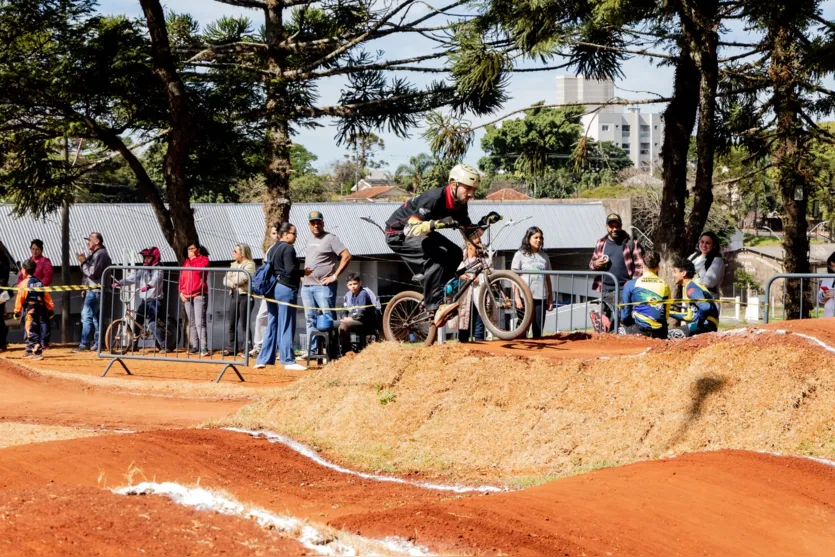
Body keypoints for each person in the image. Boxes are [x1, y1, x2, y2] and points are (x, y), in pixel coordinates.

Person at [385, 163, 499, 326]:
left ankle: (435, 291)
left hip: (423, 233)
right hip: (397, 234)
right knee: (437, 257)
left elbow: (468, 234)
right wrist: (434, 224)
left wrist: (484, 222)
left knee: (455, 253)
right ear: (454, 184)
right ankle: (435, 305)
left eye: (473, 189)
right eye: (468, 188)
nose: (471, 194)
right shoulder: (433, 199)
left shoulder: (460, 204)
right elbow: (410, 229)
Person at [256, 222, 308, 371]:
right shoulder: (288, 248)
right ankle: (288, 360)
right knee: (286, 323)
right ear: (285, 234)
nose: (295, 237)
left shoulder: (272, 248)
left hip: (272, 290)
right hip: (286, 289)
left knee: (272, 323)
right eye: (294, 234)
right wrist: (304, 273)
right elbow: (291, 269)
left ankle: (263, 359)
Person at [301, 211, 352, 357]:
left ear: (323, 223)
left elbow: (347, 255)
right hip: (307, 286)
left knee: (327, 317)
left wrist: (335, 276)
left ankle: (332, 351)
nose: (316, 225)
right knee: (310, 318)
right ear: (309, 225)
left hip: (323, 287)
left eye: (318, 222)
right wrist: (303, 277)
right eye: (313, 223)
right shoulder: (309, 239)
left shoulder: (330, 238)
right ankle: (312, 351)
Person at [589, 213, 644, 333]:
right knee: (606, 323)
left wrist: (631, 285)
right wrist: (596, 264)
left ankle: (624, 348)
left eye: (617, 225)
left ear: (621, 226)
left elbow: (640, 266)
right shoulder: (601, 243)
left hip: (624, 290)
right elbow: (591, 264)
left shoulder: (630, 243)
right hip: (606, 290)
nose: (614, 229)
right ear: (606, 226)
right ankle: (608, 348)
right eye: (611, 226)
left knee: (625, 321)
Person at [117, 247, 166, 349]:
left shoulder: (159, 269)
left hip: (155, 300)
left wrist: (149, 285)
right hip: (145, 300)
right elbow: (133, 277)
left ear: (154, 258)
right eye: (145, 258)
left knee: (152, 323)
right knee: (137, 321)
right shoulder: (143, 269)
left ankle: (163, 345)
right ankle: (134, 344)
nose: (146, 260)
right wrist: (120, 283)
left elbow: (156, 279)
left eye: (148, 258)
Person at [512, 226, 554, 338]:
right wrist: (516, 297)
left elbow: (548, 278)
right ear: (528, 238)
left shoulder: (544, 256)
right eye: (535, 237)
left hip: (541, 296)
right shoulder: (520, 255)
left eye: (540, 238)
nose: (538, 240)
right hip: (524, 296)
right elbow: (514, 277)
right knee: (522, 327)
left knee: (538, 328)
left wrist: (550, 298)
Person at [73, 232, 112, 352]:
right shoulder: (96, 254)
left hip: (95, 291)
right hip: (93, 290)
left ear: (97, 242)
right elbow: (88, 275)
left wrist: (83, 262)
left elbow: (92, 272)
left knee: (87, 316)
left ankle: (84, 343)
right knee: (95, 318)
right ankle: (99, 342)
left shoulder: (100, 254)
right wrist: (85, 287)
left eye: (90, 240)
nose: (87, 242)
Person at [619, 251, 670, 339]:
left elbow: (625, 316)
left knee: (614, 332)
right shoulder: (665, 285)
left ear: (642, 264)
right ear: (658, 267)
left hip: (640, 330)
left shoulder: (631, 284)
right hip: (661, 332)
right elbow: (666, 315)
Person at [250, 224, 281, 357]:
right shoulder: (269, 250)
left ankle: (280, 348)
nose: (276, 236)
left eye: (278, 233)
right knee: (261, 316)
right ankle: (259, 345)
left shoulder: (285, 248)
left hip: (280, 288)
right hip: (268, 289)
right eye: (273, 233)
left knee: (280, 318)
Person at [670, 257, 719, 337]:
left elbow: (706, 307)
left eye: (675, 272)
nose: (673, 275)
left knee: (669, 334)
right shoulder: (689, 287)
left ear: (683, 273)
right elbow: (688, 316)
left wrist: (699, 322)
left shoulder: (691, 288)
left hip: (707, 325)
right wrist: (668, 312)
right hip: (707, 324)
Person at [15, 259, 53, 361]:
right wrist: (50, 309)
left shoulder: (24, 283)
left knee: (31, 330)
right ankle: (29, 349)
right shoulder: (39, 282)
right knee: (36, 328)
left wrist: (17, 311)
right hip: (40, 309)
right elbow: (46, 296)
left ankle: (37, 352)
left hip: (30, 309)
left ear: (24, 270)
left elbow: (20, 298)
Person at [224, 243, 256, 356]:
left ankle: (247, 348)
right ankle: (232, 348)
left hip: (245, 296)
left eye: (235, 251)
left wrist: (232, 279)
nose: (233, 253)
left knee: (244, 324)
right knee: (231, 323)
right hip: (234, 295)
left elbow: (241, 279)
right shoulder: (233, 265)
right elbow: (225, 280)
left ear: (242, 253)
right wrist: (233, 281)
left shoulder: (250, 265)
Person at [179, 242, 210, 356]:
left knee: (199, 322)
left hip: (198, 294)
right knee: (191, 322)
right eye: (188, 249)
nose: (190, 251)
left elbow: (198, 270)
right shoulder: (186, 262)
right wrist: (181, 292)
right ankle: (195, 346)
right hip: (186, 295)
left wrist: (193, 259)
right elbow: (182, 278)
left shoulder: (204, 260)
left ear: (198, 249)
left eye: (192, 248)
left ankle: (203, 347)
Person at [339, 273, 377, 355]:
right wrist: (344, 317)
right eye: (350, 284)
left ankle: (347, 353)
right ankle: (336, 352)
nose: (353, 286)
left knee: (344, 326)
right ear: (347, 286)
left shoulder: (362, 294)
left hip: (365, 322)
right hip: (354, 320)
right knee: (334, 325)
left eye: (355, 284)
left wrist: (350, 319)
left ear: (360, 283)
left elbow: (361, 313)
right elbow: (343, 310)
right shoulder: (348, 295)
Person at [457, 242, 485, 343]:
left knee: (479, 318)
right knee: (464, 317)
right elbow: (458, 272)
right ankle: (462, 341)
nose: (478, 245)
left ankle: (479, 341)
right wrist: (463, 276)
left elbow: (489, 274)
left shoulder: (484, 259)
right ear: (469, 245)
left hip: (478, 294)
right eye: (476, 243)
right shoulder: (462, 261)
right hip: (465, 295)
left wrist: (478, 279)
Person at [688, 231, 725, 296]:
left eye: (707, 243)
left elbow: (709, 282)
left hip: (707, 300)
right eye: (702, 242)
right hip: (690, 297)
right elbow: (682, 270)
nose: (704, 245)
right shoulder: (693, 256)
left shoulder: (717, 260)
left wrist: (690, 280)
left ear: (713, 245)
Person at [818, 252, 835, 318]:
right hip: (828, 316)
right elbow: (820, 299)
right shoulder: (827, 278)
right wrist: (823, 295)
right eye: (832, 266)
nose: (834, 269)